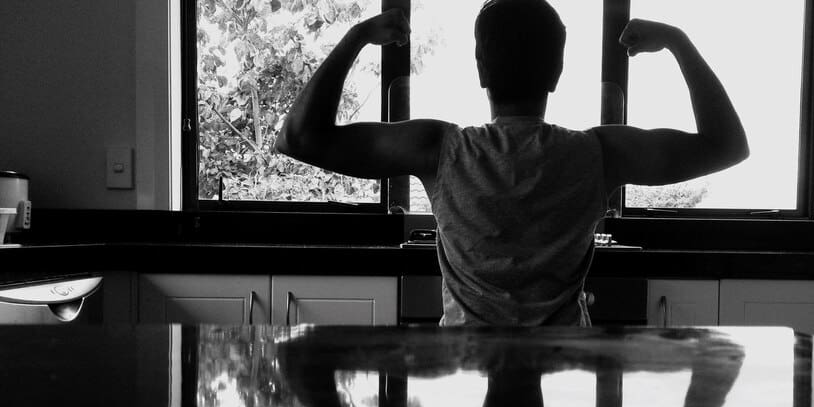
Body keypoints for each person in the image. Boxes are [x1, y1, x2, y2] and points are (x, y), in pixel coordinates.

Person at [276, 0, 748, 326]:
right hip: (561, 366)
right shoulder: (599, 153)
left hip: (467, 367)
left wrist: (357, 37)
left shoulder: (437, 149)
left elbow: (298, 137)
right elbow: (727, 145)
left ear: (481, 69)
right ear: (558, 71)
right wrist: (678, 41)